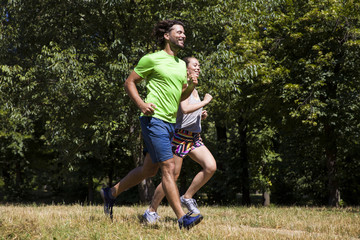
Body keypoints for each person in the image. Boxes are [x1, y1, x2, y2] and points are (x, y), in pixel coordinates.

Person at [100, 20, 203, 230]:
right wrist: (141, 104)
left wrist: (190, 86)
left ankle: (110, 193)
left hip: (170, 123)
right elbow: (130, 82)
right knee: (168, 167)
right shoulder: (152, 59)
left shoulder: (180, 65)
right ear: (167, 35)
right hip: (153, 120)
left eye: (184, 33)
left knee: (148, 170)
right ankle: (183, 218)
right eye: (179, 32)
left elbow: (180, 96)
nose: (183, 35)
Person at [142, 57, 216, 224]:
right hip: (180, 137)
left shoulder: (194, 88)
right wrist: (205, 102)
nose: (198, 68)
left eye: (199, 65)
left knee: (210, 166)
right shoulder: (183, 86)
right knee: (172, 176)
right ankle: (151, 211)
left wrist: (201, 114)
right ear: (186, 69)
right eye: (195, 65)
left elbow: (189, 112)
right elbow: (184, 108)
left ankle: (187, 197)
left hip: (194, 137)